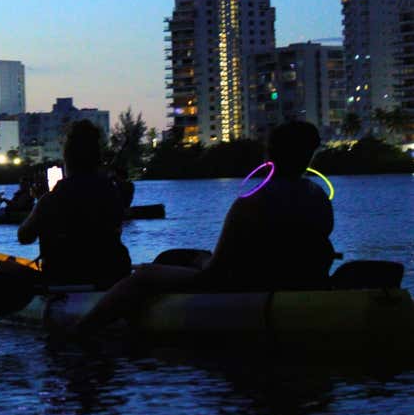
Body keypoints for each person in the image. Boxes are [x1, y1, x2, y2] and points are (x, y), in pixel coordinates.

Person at [70, 120, 336, 334]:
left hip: (248, 283)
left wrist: (201, 263)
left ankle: (81, 330)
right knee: (187, 257)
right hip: (297, 278)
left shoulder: (251, 203)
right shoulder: (319, 199)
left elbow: (216, 272)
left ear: (269, 155)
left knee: (144, 275)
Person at [17, 120, 131, 288]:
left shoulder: (51, 199)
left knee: (3, 268)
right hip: (112, 275)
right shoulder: (111, 192)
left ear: (67, 161)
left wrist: (41, 199)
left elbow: (24, 237)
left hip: (64, 278)